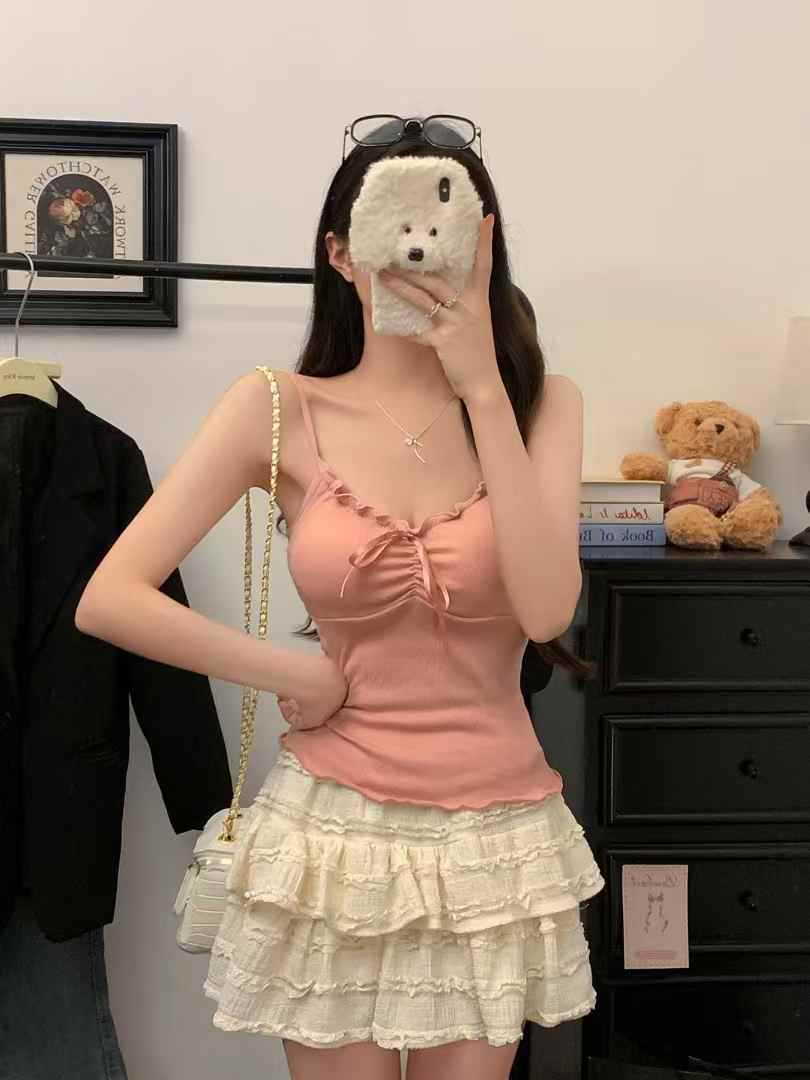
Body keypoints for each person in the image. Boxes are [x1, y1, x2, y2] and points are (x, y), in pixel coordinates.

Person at [75, 114, 605, 1080]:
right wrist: (293, 672)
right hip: (332, 832)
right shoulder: (279, 407)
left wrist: (483, 388)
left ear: (484, 245)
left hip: (494, 837)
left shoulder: (543, 402)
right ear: (339, 252)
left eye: (446, 224)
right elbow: (109, 595)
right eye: (389, 223)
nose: (417, 250)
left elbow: (545, 614)